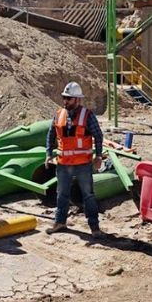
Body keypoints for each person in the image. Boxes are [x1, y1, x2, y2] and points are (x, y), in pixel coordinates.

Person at [44, 81, 104, 237]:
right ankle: (60, 222)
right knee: (62, 194)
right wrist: (49, 154)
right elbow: (50, 135)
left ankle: (95, 228)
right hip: (63, 164)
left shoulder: (87, 115)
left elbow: (98, 135)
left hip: (83, 164)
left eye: (68, 99)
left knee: (88, 195)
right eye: (64, 98)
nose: (65, 101)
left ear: (77, 100)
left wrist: (98, 156)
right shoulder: (59, 114)